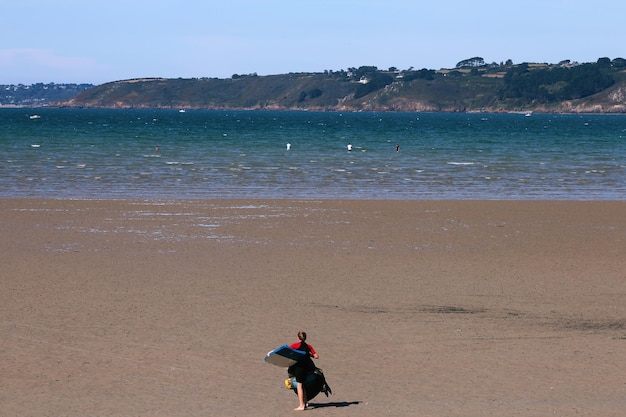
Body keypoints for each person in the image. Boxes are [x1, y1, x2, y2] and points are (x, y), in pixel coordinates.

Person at [288, 331, 319, 411]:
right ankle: (305, 403)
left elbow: (287, 352)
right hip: (307, 367)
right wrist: (309, 354)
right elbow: (316, 356)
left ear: (298, 337)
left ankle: (301, 405)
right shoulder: (308, 346)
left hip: (299, 368)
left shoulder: (295, 345)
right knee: (303, 385)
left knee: (299, 386)